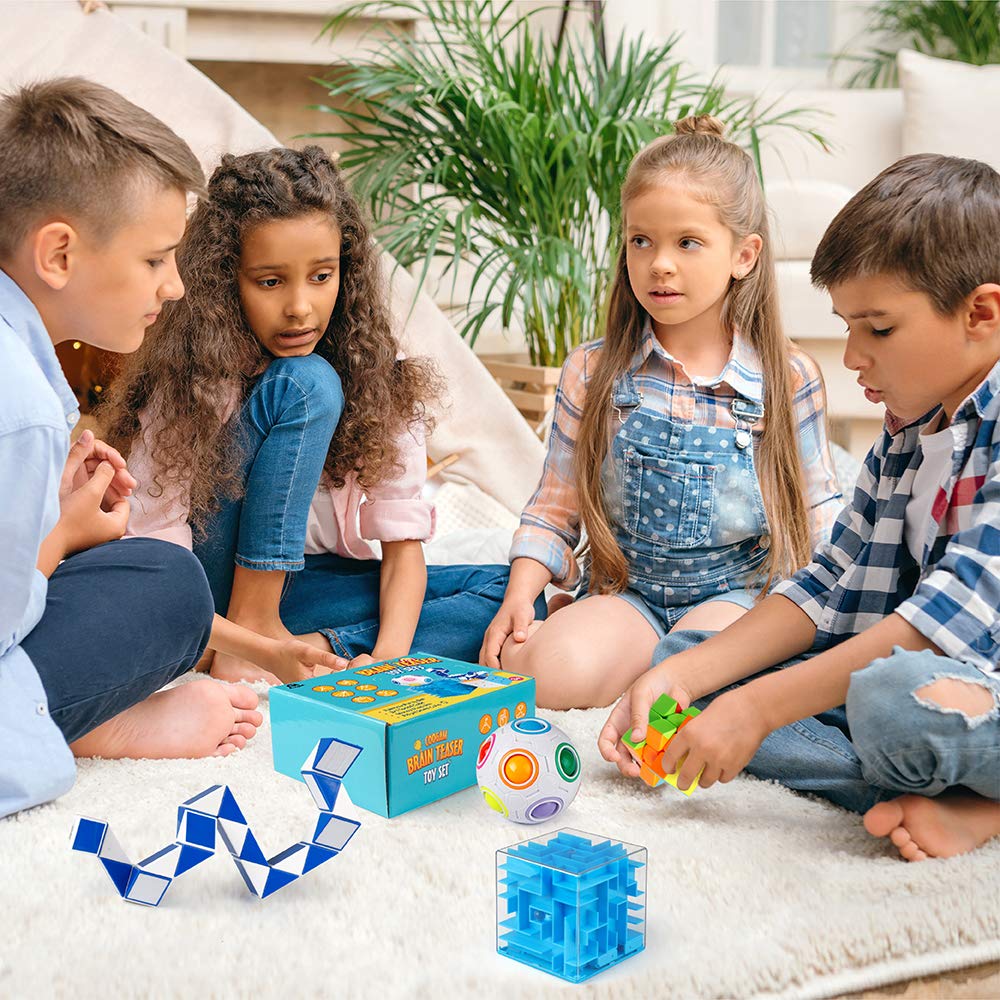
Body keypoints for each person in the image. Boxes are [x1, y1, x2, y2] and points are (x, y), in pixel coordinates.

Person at [600, 153, 1000, 862]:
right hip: (899, 667)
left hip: (959, 686)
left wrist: (754, 710)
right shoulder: (912, 427)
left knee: (891, 702)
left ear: (982, 313)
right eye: (848, 326)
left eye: (877, 329)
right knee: (693, 654)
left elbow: (935, 629)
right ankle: (915, 791)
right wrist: (679, 681)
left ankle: (976, 803)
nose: (852, 356)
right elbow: (827, 584)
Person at [104, 146, 536, 685]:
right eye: (270, 281)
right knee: (306, 384)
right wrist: (228, 632)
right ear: (224, 279)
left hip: (302, 586)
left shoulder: (377, 376)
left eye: (321, 276)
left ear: (345, 272)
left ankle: (310, 652)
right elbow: (155, 552)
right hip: (204, 591)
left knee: (511, 594)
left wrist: (388, 659)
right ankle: (249, 641)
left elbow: (403, 553)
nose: (300, 307)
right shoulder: (191, 379)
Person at [481, 116, 840, 708]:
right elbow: (555, 503)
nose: (659, 263)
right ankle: (606, 650)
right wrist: (523, 589)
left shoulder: (788, 378)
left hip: (735, 597)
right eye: (640, 241)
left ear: (744, 255)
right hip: (629, 593)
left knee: (706, 677)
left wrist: (824, 615)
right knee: (549, 674)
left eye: (687, 242)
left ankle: (652, 671)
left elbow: (820, 512)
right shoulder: (592, 371)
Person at [0, 78, 269, 817]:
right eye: (155, 260)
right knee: (173, 591)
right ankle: (87, 725)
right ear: (58, 253)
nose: (175, 286)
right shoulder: (17, 406)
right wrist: (62, 534)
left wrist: (50, 510)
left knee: (157, 567)